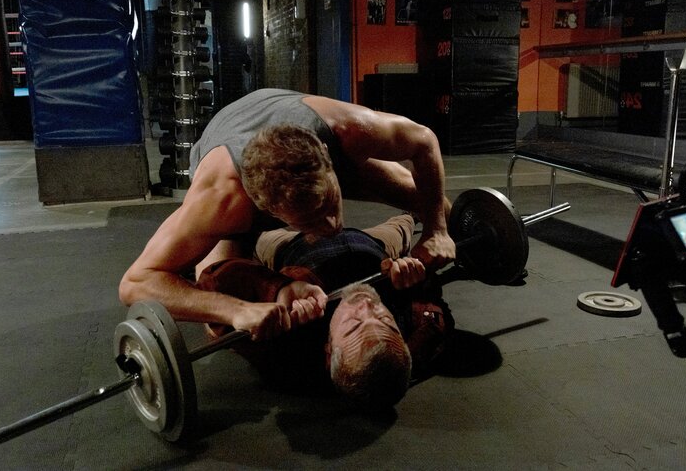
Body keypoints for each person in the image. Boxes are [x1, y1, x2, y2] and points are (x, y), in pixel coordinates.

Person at [119, 88, 456, 339]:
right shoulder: (221, 203)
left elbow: (424, 141)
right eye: (310, 221)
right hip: (227, 148)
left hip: (291, 120)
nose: (332, 225)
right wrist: (238, 310)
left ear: (326, 158)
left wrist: (437, 231)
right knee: (219, 324)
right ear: (267, 210)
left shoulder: (347, 130)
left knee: (441, 208)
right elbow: (135, 283)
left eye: (329, 204)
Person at [196, 213, 454, 409]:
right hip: (374, 247)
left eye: (354, 324)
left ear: (329, 351)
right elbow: (436, 310)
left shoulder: (289, 354)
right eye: (385, 321)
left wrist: (277, 290)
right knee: (404, 223)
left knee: (236, 223)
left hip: (296, 245)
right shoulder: (419, 336)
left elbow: (215, 286)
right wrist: (415, 277)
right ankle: (411, 217)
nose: (366, 306)